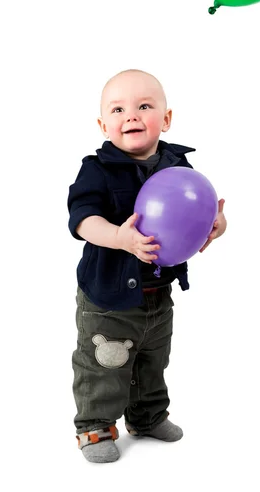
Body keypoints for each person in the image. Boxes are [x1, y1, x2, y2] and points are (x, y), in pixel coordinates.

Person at [67, 69, 227, 463]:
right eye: (118, 109)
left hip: (158, 294)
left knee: (153, 360)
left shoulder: (177, 165)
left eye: (144, 106)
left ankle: (148, 416)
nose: (132, 116)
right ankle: (95, 426)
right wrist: (120, 237)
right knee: (105, 364)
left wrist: (216, 225)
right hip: (108, 296)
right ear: (104, 125)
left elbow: (196, 211)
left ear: (166, 119)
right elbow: (83, 219)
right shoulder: (97, 169)